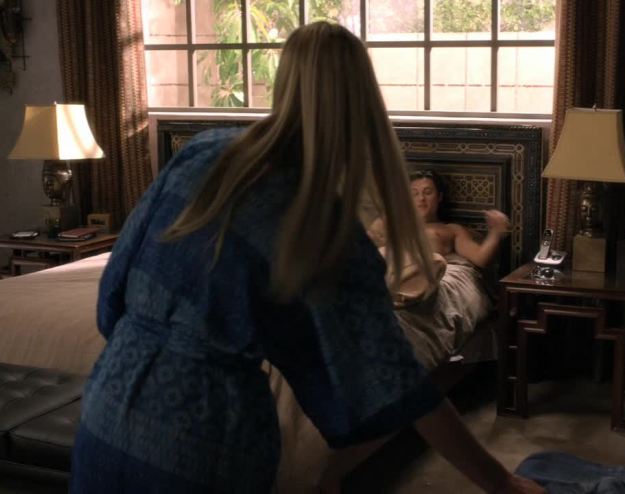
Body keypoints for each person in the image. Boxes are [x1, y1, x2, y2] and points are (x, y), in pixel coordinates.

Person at [69, 21, 545, 494]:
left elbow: (113, 292)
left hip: (110, 400)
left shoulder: (200, 151)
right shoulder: (322, 222)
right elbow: (394, 379)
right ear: (363, 103)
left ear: (284, 82)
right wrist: (503, 483)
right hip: (204, 433)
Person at [369, 170, 512, 269]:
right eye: (414, 193)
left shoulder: (452, 230)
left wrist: (496, 232)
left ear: (439, 197)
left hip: (418, 274)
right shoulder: (389, 222)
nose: (421, 198)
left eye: (428, 192)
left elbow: (480, 258)